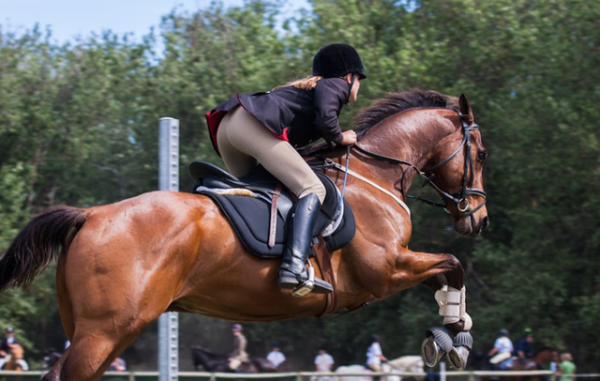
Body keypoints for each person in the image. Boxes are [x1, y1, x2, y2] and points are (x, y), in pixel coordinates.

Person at [205, 43, 366, 296]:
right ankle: (294, 265)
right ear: (349, 77)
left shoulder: (305, 91)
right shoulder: (334, 84)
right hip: (250, 126)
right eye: (359, 80)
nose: (359, 86)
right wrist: (340, 137)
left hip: (229, 127)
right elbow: (327, 120)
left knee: (257, 193)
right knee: (313, 188)